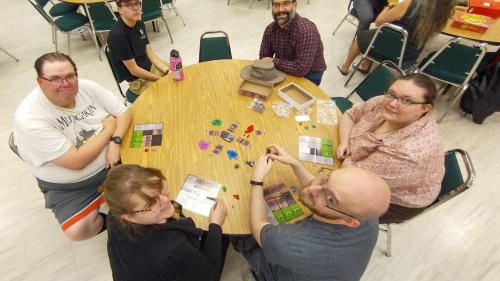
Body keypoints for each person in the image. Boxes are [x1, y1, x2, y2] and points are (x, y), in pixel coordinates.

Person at [13, 52, 132, 241]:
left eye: (70, 76)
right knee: (78, 231)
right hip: (71, 187)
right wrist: (109, 130)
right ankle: (119, 219)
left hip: (115, 159)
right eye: (55, 79)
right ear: (40, 81)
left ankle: (128, 211)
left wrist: (116, 142)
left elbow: (124, 113)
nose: (65, 83)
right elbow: (76, 162)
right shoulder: (30, 119)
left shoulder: (88, 87)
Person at [232, 145, 391, 281]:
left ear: (349, 221)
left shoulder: (290, 242)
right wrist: (294, 163)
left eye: (329, 199)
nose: (311, 189)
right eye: (326, 179)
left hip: (280, 273)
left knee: (240, 232)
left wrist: (257, 180)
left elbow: (258, 225)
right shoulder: (366, 211)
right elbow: (323, 190)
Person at [336, 73, 445, 223]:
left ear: (424, 108)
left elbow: (351, 177)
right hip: (358, 166)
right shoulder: (383, 103)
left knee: (324, 203)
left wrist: (348, 155)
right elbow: (350, 115)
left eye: (407, 100)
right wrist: (344, 143)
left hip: (394, 201)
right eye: (391, 94)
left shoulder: (409, 151)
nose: (392, 104)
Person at [104, 165, 230, 281]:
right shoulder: (173, 247)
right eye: (151, 203)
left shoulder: (115, 213)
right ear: (130, 217)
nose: (165, 200)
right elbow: (208, 274)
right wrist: (215, 224)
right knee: (223, 237)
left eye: (160, 188)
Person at [338, 0, 456, 75]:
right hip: (408, 55)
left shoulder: (409, 4)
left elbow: (379, 22)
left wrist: (387, 8)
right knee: (377, 35)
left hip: (386, 46)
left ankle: (345, 67)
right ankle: (365, 65)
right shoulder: (443, 15)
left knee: (362, 38)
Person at [107, 0, 170, 97]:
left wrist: (168, 71)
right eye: (129, 5)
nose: (135, 8)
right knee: (170, 91)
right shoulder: (117, 36)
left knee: (182, 72)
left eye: (137, 3)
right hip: (139, 81)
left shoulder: (139, 24)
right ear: (120, 10)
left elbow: (151, 55)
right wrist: (161, 80)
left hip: (151, 68)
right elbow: (134, 70)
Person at [259, 0, 327, 86]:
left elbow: (301, 69)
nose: (280, 10)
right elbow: (264, 57)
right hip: (283, 69)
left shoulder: (306, 31)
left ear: (295, 5)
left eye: (285, 4)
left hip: (309, 75)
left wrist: (273, 61)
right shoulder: (270, 29)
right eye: (276, 5)